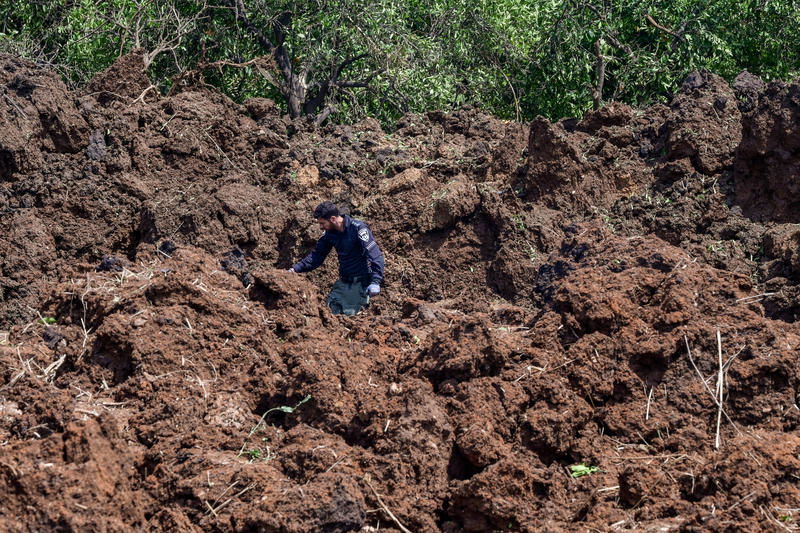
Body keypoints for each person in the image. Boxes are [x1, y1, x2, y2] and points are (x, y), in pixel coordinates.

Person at [289, 202, 384, 315]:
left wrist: (376, 281)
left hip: (360, 283)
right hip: (344, 281)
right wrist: (295, 269)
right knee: (328, 314)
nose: (321, 227)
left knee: (349, 318)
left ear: (333, 219)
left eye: (322, 223)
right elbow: (316, 256)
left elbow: (375, 256)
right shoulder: (330, 234)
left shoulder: (358, 229)